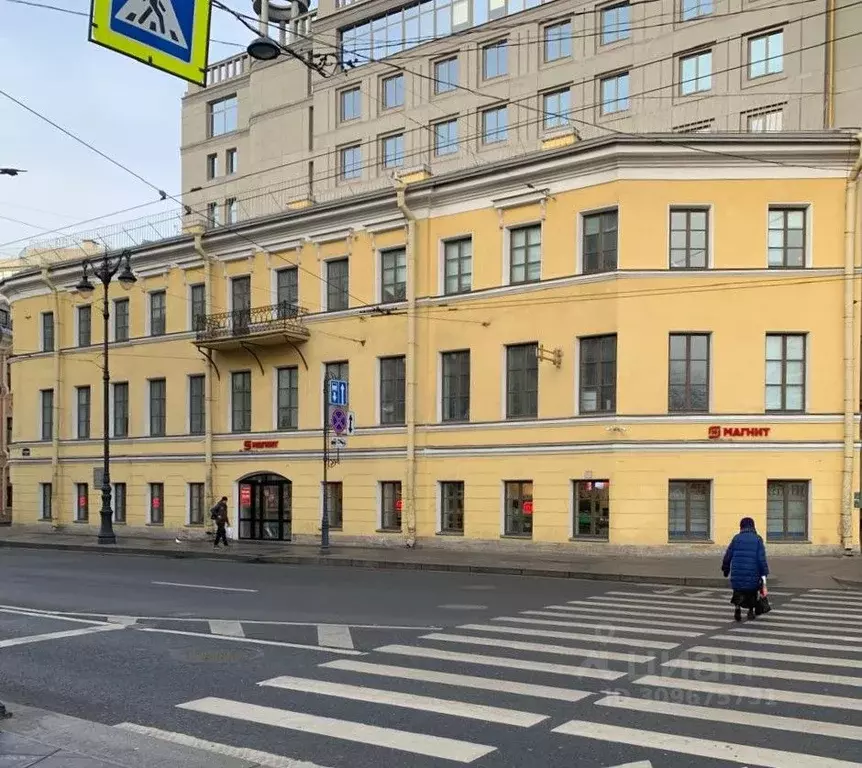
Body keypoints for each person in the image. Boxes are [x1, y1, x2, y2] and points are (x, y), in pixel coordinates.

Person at [722, 517, 769, 621]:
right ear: (753, 526)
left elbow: (728, 555)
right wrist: (764, 573)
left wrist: (725, 568)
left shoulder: (736, 538)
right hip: (752, 572)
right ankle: (751, 611)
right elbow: (761, 558)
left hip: (737, 571)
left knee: (738, 591)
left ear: (741, 526)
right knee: (752, 592)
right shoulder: (757, 539)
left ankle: (737, 609)